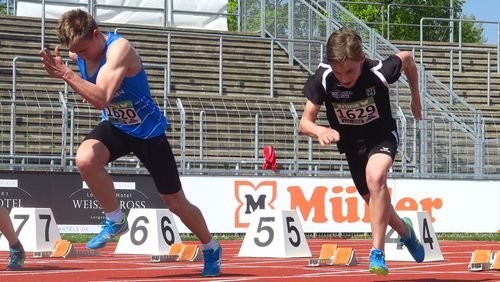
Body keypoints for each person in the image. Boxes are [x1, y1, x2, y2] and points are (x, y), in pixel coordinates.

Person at [39, 9, 221, 277]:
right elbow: (90, 82)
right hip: (118, 127)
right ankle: (115, 219)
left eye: (86, 49)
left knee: (176, 204)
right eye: (77, 50)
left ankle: (210, 246)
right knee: (85, 159)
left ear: (98, 34)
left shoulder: (119, 49)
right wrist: (76, 75)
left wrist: (69, 77)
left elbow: (100, 97)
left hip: (148, 133)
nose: (82, 55)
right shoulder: (77, 53)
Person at [299, 28, 425, 275]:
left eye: (350, 71)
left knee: (376, 176)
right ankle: (405, 230)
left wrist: (415, 97)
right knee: (378, 205)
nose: (345, 78)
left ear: (362, 59)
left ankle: (377, 253)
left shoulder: (379, 71)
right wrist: (319, 130)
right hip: (352, 146)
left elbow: (408, 58)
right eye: (339, 72)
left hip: (381, 136)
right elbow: (304, 122)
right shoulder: (323, 78)